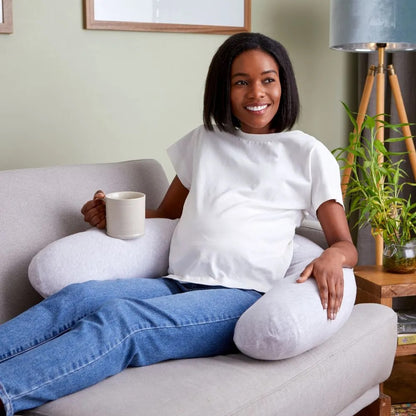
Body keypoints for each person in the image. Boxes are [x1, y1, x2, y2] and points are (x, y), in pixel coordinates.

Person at [0, 32, 357, 415]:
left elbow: (345, 244)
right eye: (241, 82)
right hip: (176, 282)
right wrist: (110, 214)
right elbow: (167, 214)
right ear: (223, 88)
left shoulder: (307, 153)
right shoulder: (203, 141)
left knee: (124, 321)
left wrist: (332, 258)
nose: (257, 93)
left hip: (241, 295)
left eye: (268, 79)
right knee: (78, 297)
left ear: (283, 84)